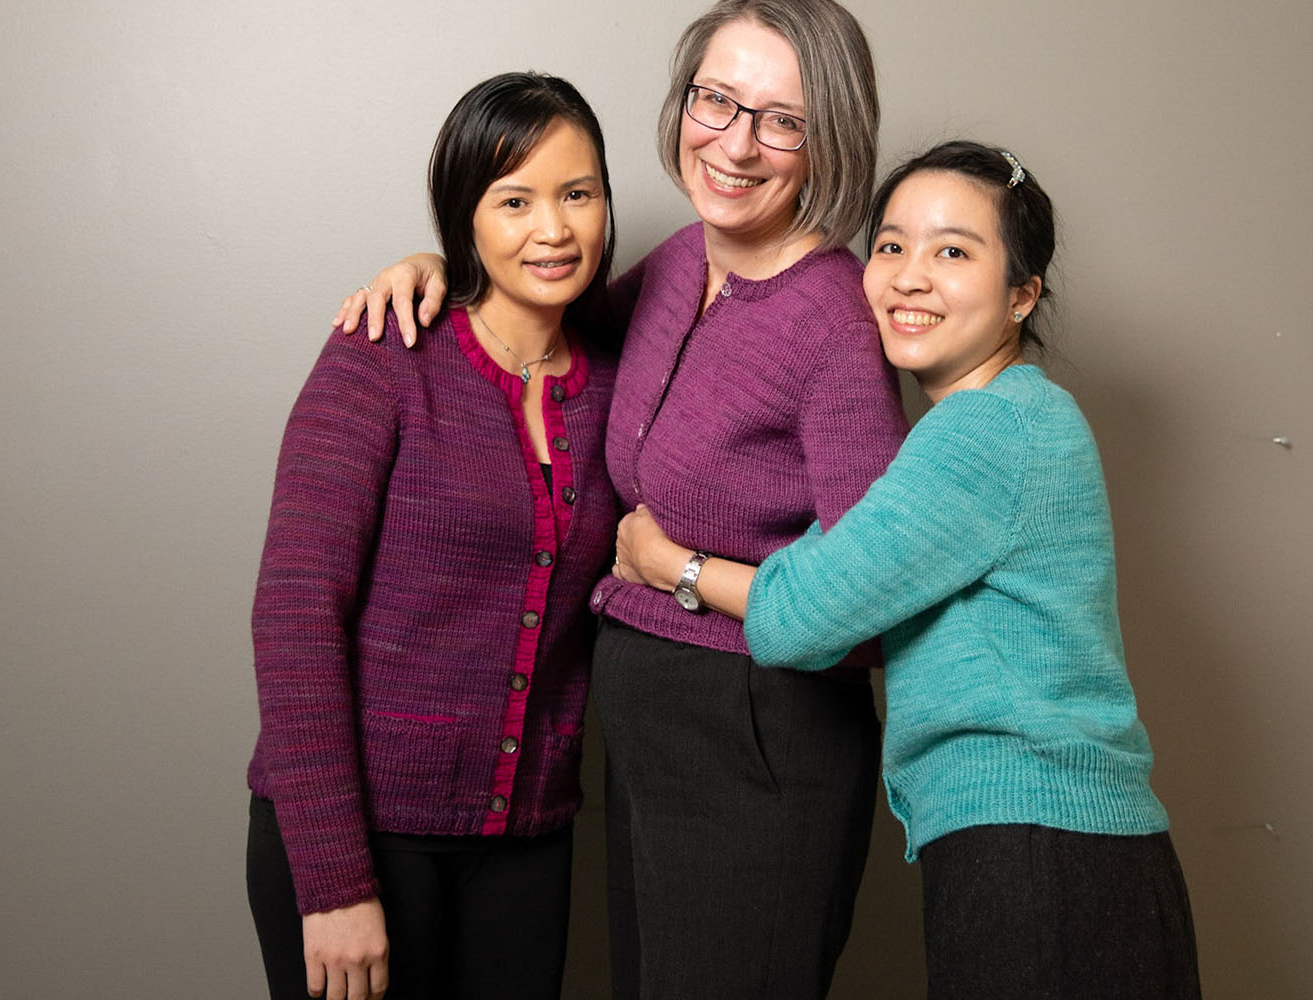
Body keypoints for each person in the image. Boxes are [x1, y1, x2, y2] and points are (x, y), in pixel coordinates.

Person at [335, 3, 908, 995]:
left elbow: (873, 604)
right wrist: (440, 267)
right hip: (649, 743)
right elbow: (541, 317)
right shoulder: (683, 263)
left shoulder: (837, 324)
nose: (735, 143)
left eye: (782, 119)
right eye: (716, 100)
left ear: (832, 139)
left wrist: (678, 569)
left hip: (761, 743)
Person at [613, 140, 1202, 999]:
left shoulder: (989, 431)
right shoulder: (988, 429)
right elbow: (843, 556)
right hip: (1048, 848)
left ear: (1022, 295)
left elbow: (806, 612)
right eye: (891, 245)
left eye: (953, 252)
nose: (909, 277)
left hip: (1043, 856)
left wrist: (669, 563)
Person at [245, 72, 619, 1000]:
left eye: (578, 194)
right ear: (466, 215)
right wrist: (333, 881)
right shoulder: (384, 355)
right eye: (514, 201)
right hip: (363, 834)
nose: (553, 229)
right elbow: (295, 613)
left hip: (528, 841)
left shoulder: (622, 378)